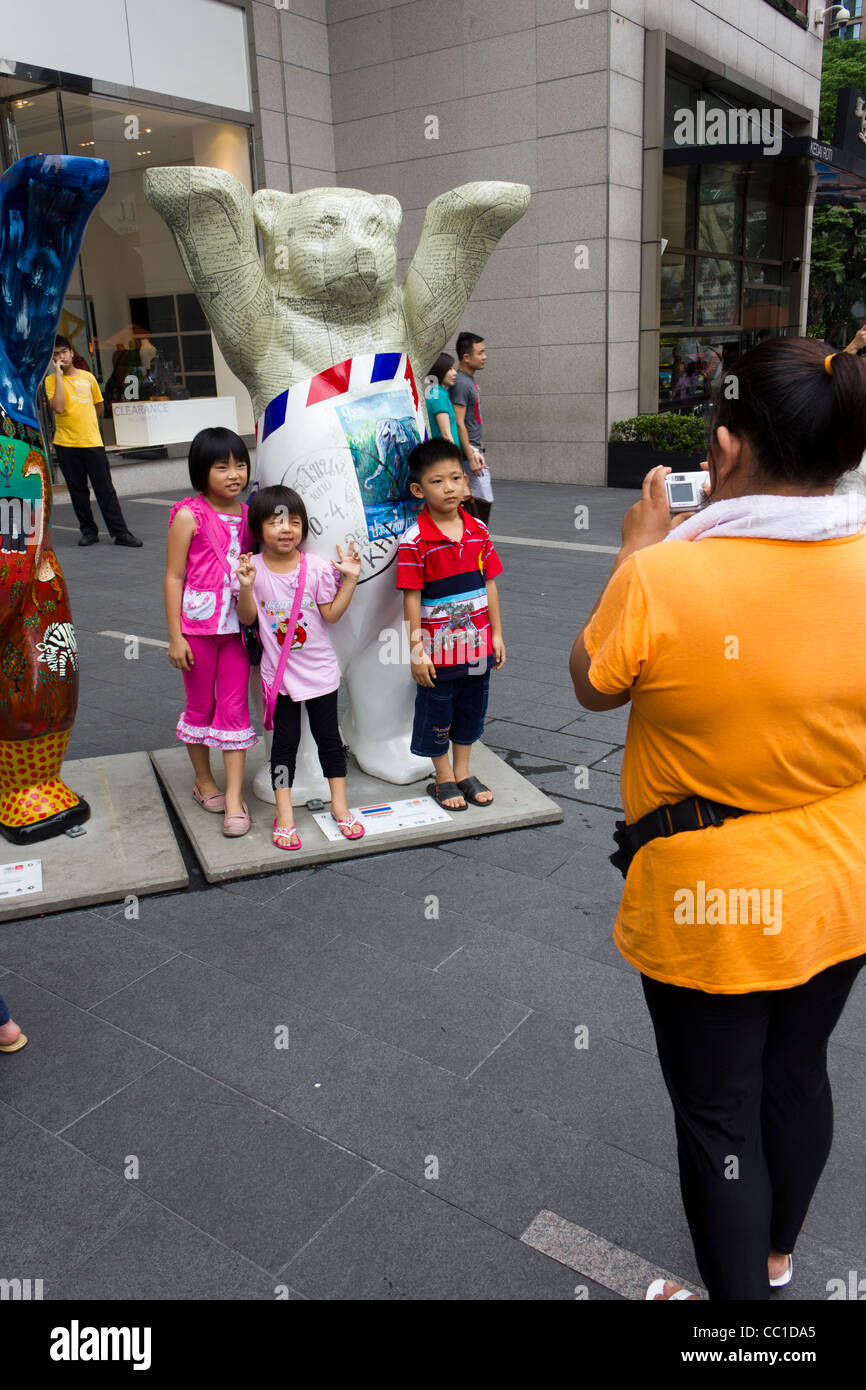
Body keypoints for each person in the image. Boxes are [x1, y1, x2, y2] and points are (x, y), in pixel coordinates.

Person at [569, 336, 866, 1302]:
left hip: (715, 903)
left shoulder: (664, 578)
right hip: (845, 881)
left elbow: (590, 684)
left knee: (720, 1117)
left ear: (726, 452)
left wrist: (632, 551)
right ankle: (778, 1255)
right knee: (798, 1074)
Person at [235, 485, 363, 850]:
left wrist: (350, 578)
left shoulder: (318, 568)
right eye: (275, 522)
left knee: (329, 742)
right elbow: (247, 619)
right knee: (283, 747)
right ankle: (285, 814)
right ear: (258, 528)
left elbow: (332, 615)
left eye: (294, 521)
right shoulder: (251, 569)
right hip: (279, 680)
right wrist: (246, 587)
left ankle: (340, 806)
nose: (286, 529)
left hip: (321, 673)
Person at [397, 439, 505, 811]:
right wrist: (416, 651)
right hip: (438, 652)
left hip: (478, 646)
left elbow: (489, 583)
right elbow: (410, 598)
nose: (449, 487)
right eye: (437, 481)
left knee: (471, 710)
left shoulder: (478, 531)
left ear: (465, 482)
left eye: (456, 478)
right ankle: (443, 778)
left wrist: (498, 635)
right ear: (418, 489)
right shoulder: (414, 542)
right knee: (437, 713)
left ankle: (463, 772)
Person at [165, 427, 257, 837]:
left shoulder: (251, 514)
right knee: (200, 705)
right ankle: (204, 781)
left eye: (239, 464)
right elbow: (173, 576)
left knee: (234, 709)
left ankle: (234, 798)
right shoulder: (188, 514)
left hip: (237, 629)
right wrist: (174, 635)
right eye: (222, 466)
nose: (233, 474)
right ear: (201, 471)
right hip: (197, 631)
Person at [45, 337, 142, 547]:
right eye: (54, 355)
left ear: (71, 353)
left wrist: (86, 423)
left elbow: (99, 407)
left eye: (62, 352)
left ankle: (120, 532)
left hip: (92, 442)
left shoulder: (88, 378)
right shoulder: (51, 381)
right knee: (77, 490)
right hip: (66, 444)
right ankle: (89, 531)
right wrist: (59, 376)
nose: (60, 357)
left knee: (105, 489)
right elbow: (59, 407)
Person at [450, 331, 493, 525]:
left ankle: (476, 546)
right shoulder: (460, 383)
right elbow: (459, 422)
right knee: (478, 505)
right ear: (466, 357)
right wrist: (470, 456)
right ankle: (475, 548)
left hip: (474, 452)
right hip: (469, 457)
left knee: (480, 504)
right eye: (480, 353)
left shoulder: (469, 380)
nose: (484, 357)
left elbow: (470, 419)